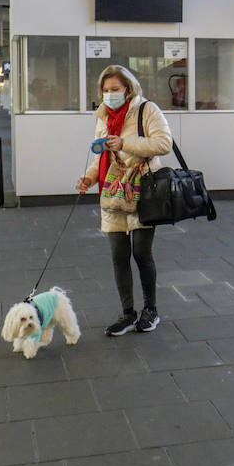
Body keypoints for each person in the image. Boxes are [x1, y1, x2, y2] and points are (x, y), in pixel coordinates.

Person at [76, 65, 173, 336]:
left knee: (142, 253)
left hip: (143, 191)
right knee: (119, 255)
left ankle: (150, 310)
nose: (109, 95)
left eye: (115, 89)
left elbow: (164, 143)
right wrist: (88, 178)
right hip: (112, 193)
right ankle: (127, 313)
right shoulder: (103, 117)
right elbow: (100, 157)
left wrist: (125, 143)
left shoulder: (147, 110)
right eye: (105, 90)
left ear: (128, 89)